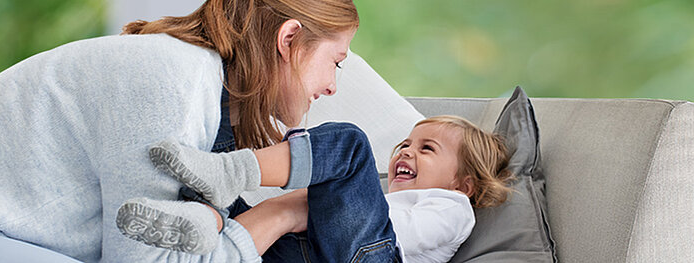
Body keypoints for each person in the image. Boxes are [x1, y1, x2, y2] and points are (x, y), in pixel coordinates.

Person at [0, 0, 358, 262]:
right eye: (335, 62)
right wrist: (282, 214)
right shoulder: (170, 80)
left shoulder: (200, 87)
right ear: (289, 39)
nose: (332, 87)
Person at [118, 115, 514, 262]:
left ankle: (229, 171)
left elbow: (401, 233)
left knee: (351, 145)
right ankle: (204, 223)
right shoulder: (383, 197)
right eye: (405, 144)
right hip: (312, 253)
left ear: (464, 183)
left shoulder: (453, 206)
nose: (406, 152)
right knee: (229, 203)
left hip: (376, 256)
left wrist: (334, 198)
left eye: (427, 149)